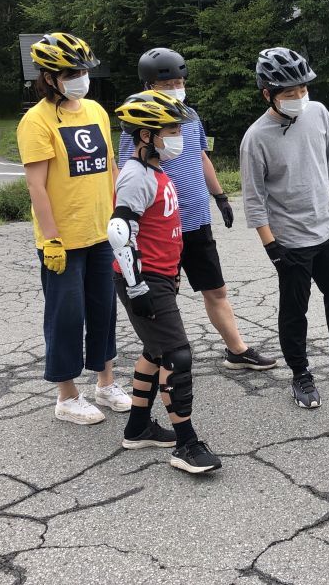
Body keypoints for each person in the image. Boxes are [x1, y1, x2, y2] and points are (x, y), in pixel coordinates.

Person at [240, 47, 329, 409]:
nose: (299, 98)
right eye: (289, 93)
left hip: (327, 228)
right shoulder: (256, 138)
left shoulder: (318, 113)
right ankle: (300, 374)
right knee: (295, 311)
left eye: (302, 90)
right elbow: (254, 200)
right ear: (267, 94)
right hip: (289, 239)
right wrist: (272, 247)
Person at [118, 48, 276, 371]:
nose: (177, 87)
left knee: (215, 289)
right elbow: (127, 174)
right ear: (149, 87)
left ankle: (237, 350)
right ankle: (165, 354)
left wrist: (220, 197)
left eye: (179, 81)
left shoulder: (189, 118)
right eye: (168, 84)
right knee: (165, 297)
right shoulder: (140, 127)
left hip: (197, 222)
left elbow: (202, 157)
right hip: (161, 230)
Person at [17, 32, 131, 425]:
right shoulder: (36, 121)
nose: (81, 77)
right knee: (66, 316)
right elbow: (36, 185)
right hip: (62, 240)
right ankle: (66, 396)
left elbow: (111, 167)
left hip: (101, 233)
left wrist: (122, 216)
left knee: (104, 310)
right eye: (72, 71)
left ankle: (106, 382)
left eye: (83, 70)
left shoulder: (97, 111)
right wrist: (50, 238)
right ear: (50, 77)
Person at [110, 90, 221, 473]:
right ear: (146, 136)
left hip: (161, 274)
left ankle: (138, 428)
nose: (179, 136)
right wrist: (138, 285)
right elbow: (119, 230)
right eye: (171, 129)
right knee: (177, 354)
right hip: (144, 278)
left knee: (156, 351)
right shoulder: (136, 176)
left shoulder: (156, 170)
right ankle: (186, 444)